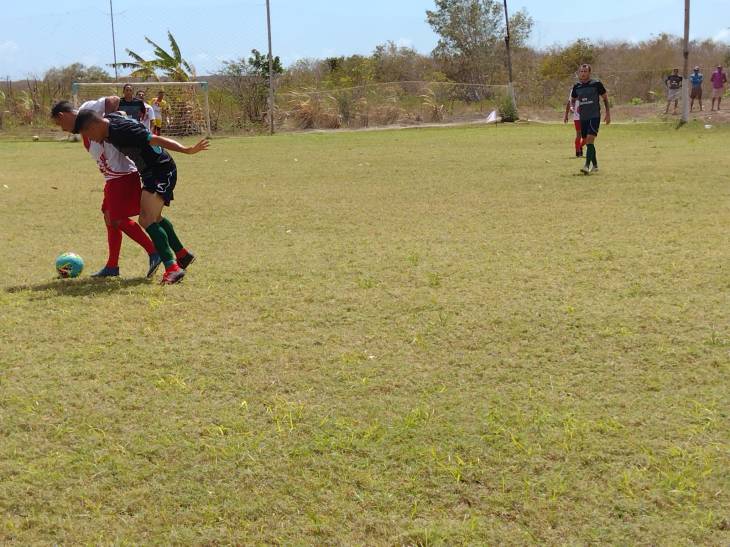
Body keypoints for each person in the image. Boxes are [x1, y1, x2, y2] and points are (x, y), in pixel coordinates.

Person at [73, 109, 207, 284]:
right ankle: (182, 255)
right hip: (149, 173)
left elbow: (154, 139)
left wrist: (186, 150)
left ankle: (173, 269)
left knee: (146, 219)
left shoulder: (121, 131)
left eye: (88, 134)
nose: (91, 139)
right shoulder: (109, 122)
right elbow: (121, 112)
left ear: (93, 126)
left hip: (161, 170)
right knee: (154, 217)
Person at [51, 99, 162, 278]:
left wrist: (111, 120)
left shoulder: (88, 109)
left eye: (59, 124)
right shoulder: (83, 125)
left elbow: (113, 99)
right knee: (109, 217)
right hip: (112, 177)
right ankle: (112, 266)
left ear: (62, 115)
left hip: (122, 174)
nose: (63, 129)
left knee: (117, 219)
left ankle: (154, 251)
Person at [571, 64, 611, 175]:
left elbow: (605, 98)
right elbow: (573, 99)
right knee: (588, 142)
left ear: (589, 73)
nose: (583, 73)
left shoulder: (596, 84)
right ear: (579, 73)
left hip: (594, 116)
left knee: (589, 140)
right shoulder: (577, 87)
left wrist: (608, 113)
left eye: (585, 71)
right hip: (583, 117)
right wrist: (572, 107)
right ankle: (595, 165)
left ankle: (586, 166)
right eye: (581, 71)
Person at [563, 88, 583, 157]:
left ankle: (580, 146)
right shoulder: (574, 90)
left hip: (587, 116)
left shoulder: (588, 88)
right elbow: (569, 103)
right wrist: (566, 115)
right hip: (577, 117)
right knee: (579, 134)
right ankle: (577, 152)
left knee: (587, 136)